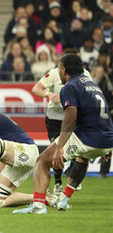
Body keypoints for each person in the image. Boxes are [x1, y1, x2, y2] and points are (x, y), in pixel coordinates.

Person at [13, 54, 113, 214]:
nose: (58, 70)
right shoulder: (91, 84)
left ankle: (38, 206)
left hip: (87, 136)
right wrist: (107, 145)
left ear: (64, 69)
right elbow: (106, 113)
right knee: (83, 158)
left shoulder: (70, 86)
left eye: (59, 67)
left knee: (42, 161)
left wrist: (60, 147)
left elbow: (70, 117)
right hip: (106, 138)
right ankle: (64, 199)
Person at [31, 48, 89, 194]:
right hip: (55, 117)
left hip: (74, 116)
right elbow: (36, 89)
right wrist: (49, 94)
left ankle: (72, 171)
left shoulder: (85, 74)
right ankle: (57, 181)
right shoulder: (55, 73)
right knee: (56, 149)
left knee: (77, 148)